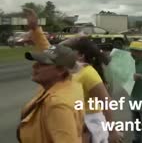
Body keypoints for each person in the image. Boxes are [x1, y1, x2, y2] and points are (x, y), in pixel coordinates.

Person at [25, 8, 121, 143]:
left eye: (71, 49)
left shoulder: (87, 73)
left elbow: (106, 102)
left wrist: (112, 131)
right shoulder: (68, 66)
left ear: (80, 55)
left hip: (87, 123)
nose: (35, 67)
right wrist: (36, 29)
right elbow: (50, 50)